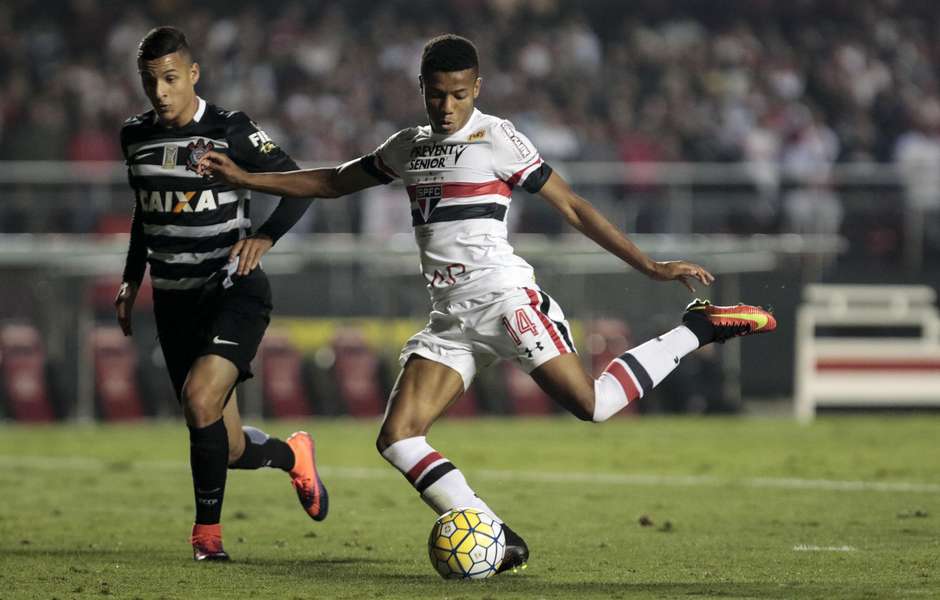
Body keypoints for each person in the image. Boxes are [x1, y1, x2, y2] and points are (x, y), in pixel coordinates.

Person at [198, 34, 776, 574]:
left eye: (457, 94)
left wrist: (649, 265)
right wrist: (248, 178)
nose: (446, 106)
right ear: (421, 88)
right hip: (450, 318)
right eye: (435, 93)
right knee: (397, 437)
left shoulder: (497, 137)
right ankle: (497, 536)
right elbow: (329, 182)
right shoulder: (408, 146)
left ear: (477, 88)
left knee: (593, 405)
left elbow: (571, 206)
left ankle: (696, 329)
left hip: (504, 301)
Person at [114, 26, 328, 562]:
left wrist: (264, 236)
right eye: (149, 81)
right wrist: (131, 276)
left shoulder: (231, 130)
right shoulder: (134, 136)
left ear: (193, 74)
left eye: (169, 79)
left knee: (199, 398)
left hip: (232, 290)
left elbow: (298, 183)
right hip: (173, 300)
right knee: (225, 443)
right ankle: (292, 455)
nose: (159, 92)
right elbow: (146, 210)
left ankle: (207, 538)